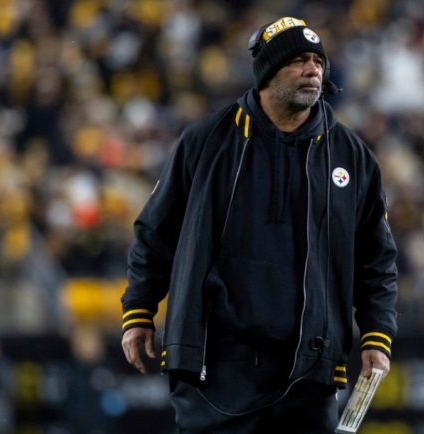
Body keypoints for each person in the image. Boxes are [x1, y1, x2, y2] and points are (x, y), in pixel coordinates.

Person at [121, 16, 399, 433]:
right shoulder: (208, 140)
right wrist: (139, 310)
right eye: (299, 61)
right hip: (218, 365)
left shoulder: (351, 156)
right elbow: (156, 231)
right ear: (268, 72)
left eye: (317, 61)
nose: (314, 70)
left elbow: (376, 259)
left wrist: (377, 335)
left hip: (310, 367)